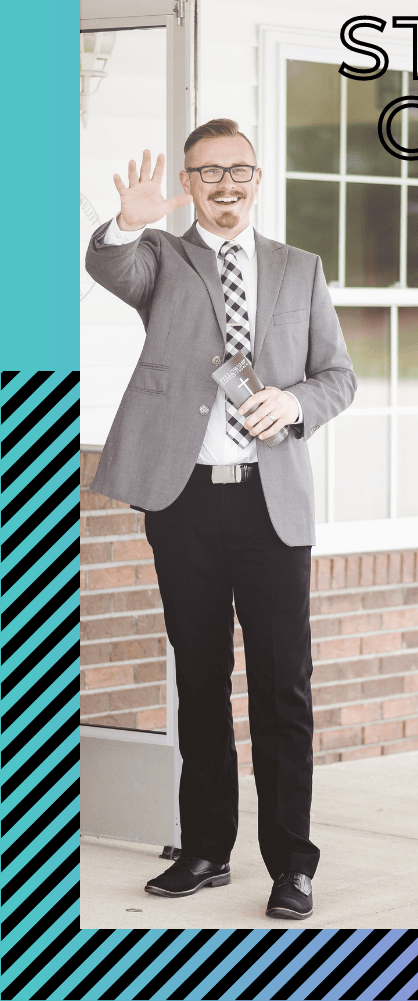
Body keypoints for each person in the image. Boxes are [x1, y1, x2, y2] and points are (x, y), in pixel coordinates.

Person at [84, 119, 357, 920]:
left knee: (283, 689)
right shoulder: (160, 260)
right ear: (192, 185)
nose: (226, 184)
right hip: (187, 500)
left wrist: (294, 402)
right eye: (208, 173)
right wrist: (128, 222)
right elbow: (111, 266)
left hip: (272, 506)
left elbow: (338, 376)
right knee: (200, 682)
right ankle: (205, 850)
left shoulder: (298, 269)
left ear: (259, 176)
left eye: (238, 170)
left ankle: (291, 865)